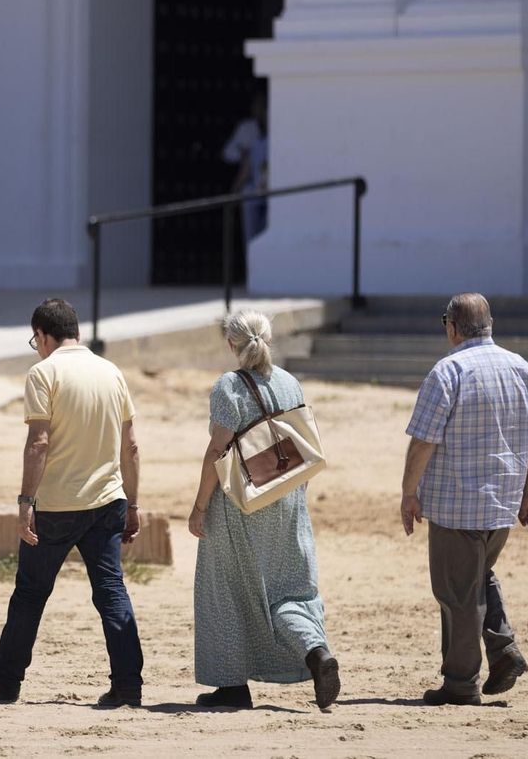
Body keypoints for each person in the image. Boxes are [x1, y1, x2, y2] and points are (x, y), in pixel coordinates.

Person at [0, 298, 144, 707]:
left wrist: (26, 501)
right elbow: (130, 447)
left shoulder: (43, 373)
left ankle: (6, 682)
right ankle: (128, 685)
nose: (37, 347)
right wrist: (132, 505)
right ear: (76, 331)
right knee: (111, 590)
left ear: (43, 335)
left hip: (58, 506)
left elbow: (39, 441)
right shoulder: (112, 372)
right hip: (107, 502)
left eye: (35, 340)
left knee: (29, 593)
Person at [187, 309, 339, 711]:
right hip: (286, 498)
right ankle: (316, 651)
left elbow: (217, 451)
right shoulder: (290, 383)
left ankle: (232, 686)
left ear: (230, 344)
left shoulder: (228, 388)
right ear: (268, 339)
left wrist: (199, 506)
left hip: (240, 503)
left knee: (227, 591)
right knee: (289, 588)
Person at [401, 293, 528, 706]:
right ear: (490, 324)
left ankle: (460, 683)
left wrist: (408, 493)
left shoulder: (448, 371)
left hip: (456, 501)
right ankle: (503, 652)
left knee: (457, 593)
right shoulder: (523, 369)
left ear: (451, 327)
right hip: (502, 501)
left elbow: (423, 442)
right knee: (476, 576)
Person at [222, 89, 270, 239]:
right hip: (256, 195)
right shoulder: (254, 140)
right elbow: (244, 169)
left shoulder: (273, 141)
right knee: (254, 238)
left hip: (274, 196)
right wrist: (234, 192)